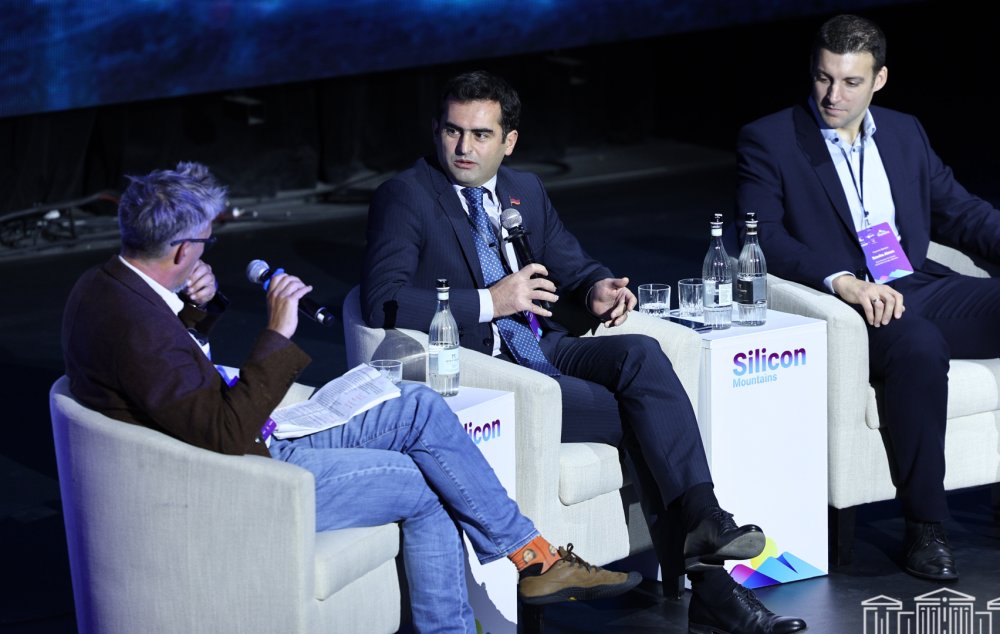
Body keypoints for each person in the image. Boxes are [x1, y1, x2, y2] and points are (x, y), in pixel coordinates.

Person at [60, 161, 646, 634]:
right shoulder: (135, 326)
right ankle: (516, 576)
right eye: (205, 244)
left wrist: (195, 308)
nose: (207, 254)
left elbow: (168, 378)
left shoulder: (108, 286)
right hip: (244, 473)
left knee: (417, 406)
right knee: (430, 483)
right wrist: (277, 333)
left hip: (247, 433)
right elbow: (222, 431)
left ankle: (533, 556)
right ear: (180, 251)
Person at [361, 70, 808, 633]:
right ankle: (714, 585)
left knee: (642, 353)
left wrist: (598, 288)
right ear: (436, 131)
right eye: (453, 131)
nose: (464, 147)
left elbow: (570, 263)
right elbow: (383, 300)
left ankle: (704, 518)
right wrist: (491, 301)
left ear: (509, 141)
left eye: (480, 135)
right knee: (649, 417)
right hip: (489, 369)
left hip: (544, 346)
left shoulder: (524, 189)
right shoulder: (407, 196)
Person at [735, 13, 1000, 582]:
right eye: (824, 78)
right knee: (918, 346)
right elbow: (762, 238)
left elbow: (960, 212)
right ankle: (926, 527)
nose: (833, 95)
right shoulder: (770, 139)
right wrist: (841, 281)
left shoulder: (904, 132)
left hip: (915, 281)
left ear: (879, 79)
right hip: (851, 304)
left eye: (851, 81)